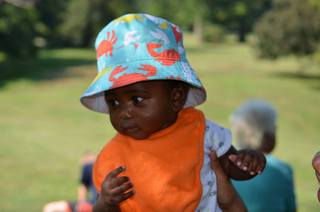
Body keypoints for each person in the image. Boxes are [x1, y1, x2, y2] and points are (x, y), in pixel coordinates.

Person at [80, 14, 266, 212]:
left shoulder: (202, 132)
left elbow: (232, 168)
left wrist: (249, 161)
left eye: (137, 100)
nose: (124, 113)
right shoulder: (115, 157)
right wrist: (106, 202)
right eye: (114, 103)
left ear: (176, 97)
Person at [230, 99, 296, 212]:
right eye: (274, 128)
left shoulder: (228, 165)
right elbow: (290, 208)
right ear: (267, 135)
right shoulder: (282, 170)